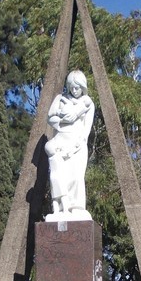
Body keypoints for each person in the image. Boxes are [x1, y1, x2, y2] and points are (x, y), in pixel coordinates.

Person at [45, 70, 95, 220]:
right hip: (61, 142)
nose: (74, 90)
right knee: (61, 176)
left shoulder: (88, 103)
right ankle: (61, 208)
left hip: (77, 144)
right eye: (72, 87)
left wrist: (79, 141)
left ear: (83, 87)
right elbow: (50, 118)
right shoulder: (60, 99)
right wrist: (65, 120)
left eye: (77, 87)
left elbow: (87, 128)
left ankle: (77, 208)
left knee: (77, 176)